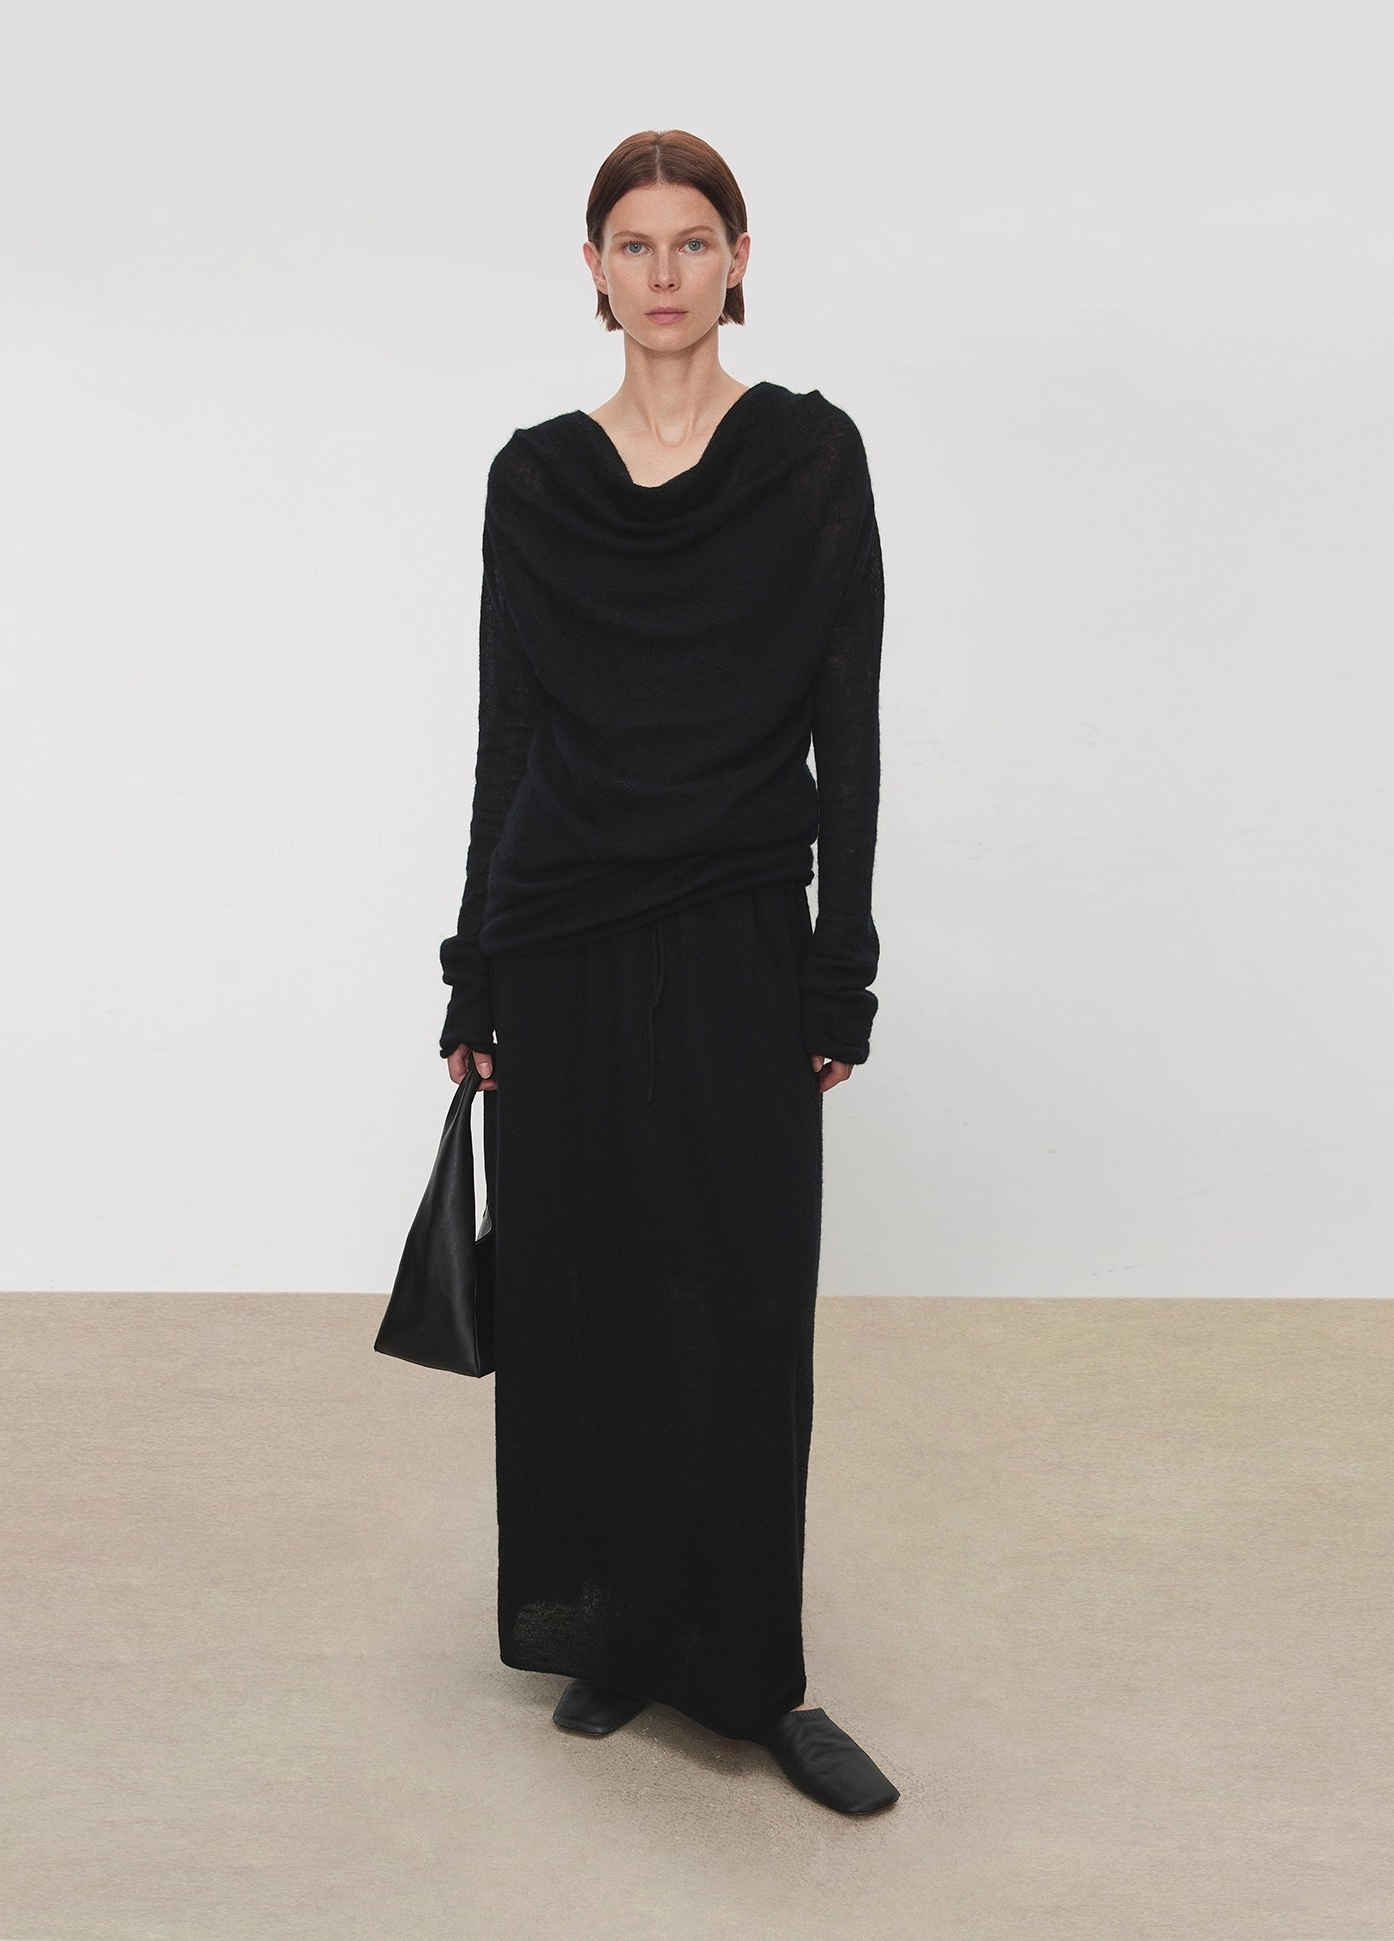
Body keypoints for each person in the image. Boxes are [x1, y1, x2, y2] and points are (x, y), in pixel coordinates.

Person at [437, 129, 896, 1816]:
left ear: (739, 258)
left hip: (734, 924)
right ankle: (621, 1626)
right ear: (593, 268)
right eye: (631, 244)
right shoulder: (535, 479)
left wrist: (840, 966)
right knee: (590, 1290)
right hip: (560, 932)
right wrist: (477, 970)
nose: (662, 272)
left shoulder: (808, 459)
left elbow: (847, 727)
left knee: (742, 1295)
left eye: (692, 241)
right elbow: (509, 732)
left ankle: (759, 1677)